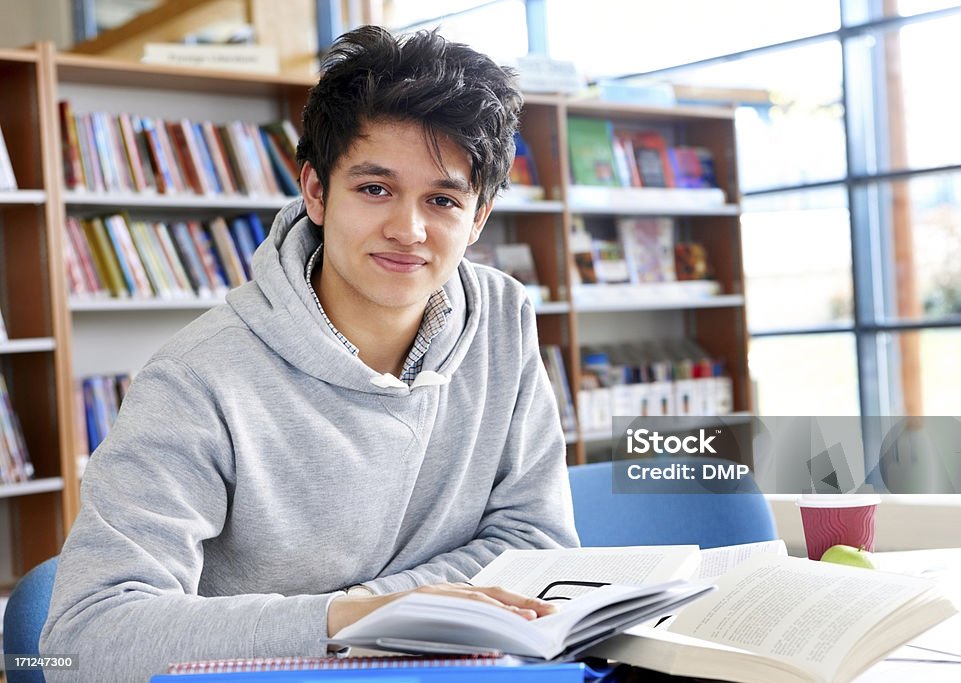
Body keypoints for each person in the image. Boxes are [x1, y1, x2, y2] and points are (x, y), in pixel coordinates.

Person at [41, 25, 579, 681]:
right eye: (374, 188)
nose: (408, 230)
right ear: (316, 192)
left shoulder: (503, 318)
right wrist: (363, 618)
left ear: (480, 217)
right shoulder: (197, 378)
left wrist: (396, 612)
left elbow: (536, 544)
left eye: (442, 200)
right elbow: (84, 639)